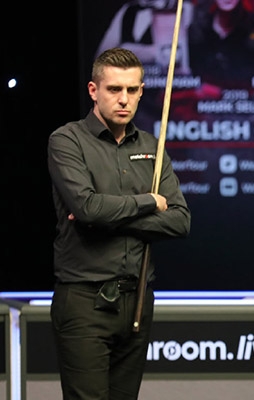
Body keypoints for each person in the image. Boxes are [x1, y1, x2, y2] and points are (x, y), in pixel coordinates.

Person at [47, 47, 191, 399]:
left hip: (137, 300)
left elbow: (179, 221)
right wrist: (149, 203)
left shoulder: (153, 147)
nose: (124, 99)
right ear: (94, 90)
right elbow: (88, 209)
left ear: (141, 91)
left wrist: (105, 217)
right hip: (84, 300)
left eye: (131, 89)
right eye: (114, 89)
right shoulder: (66, 140)